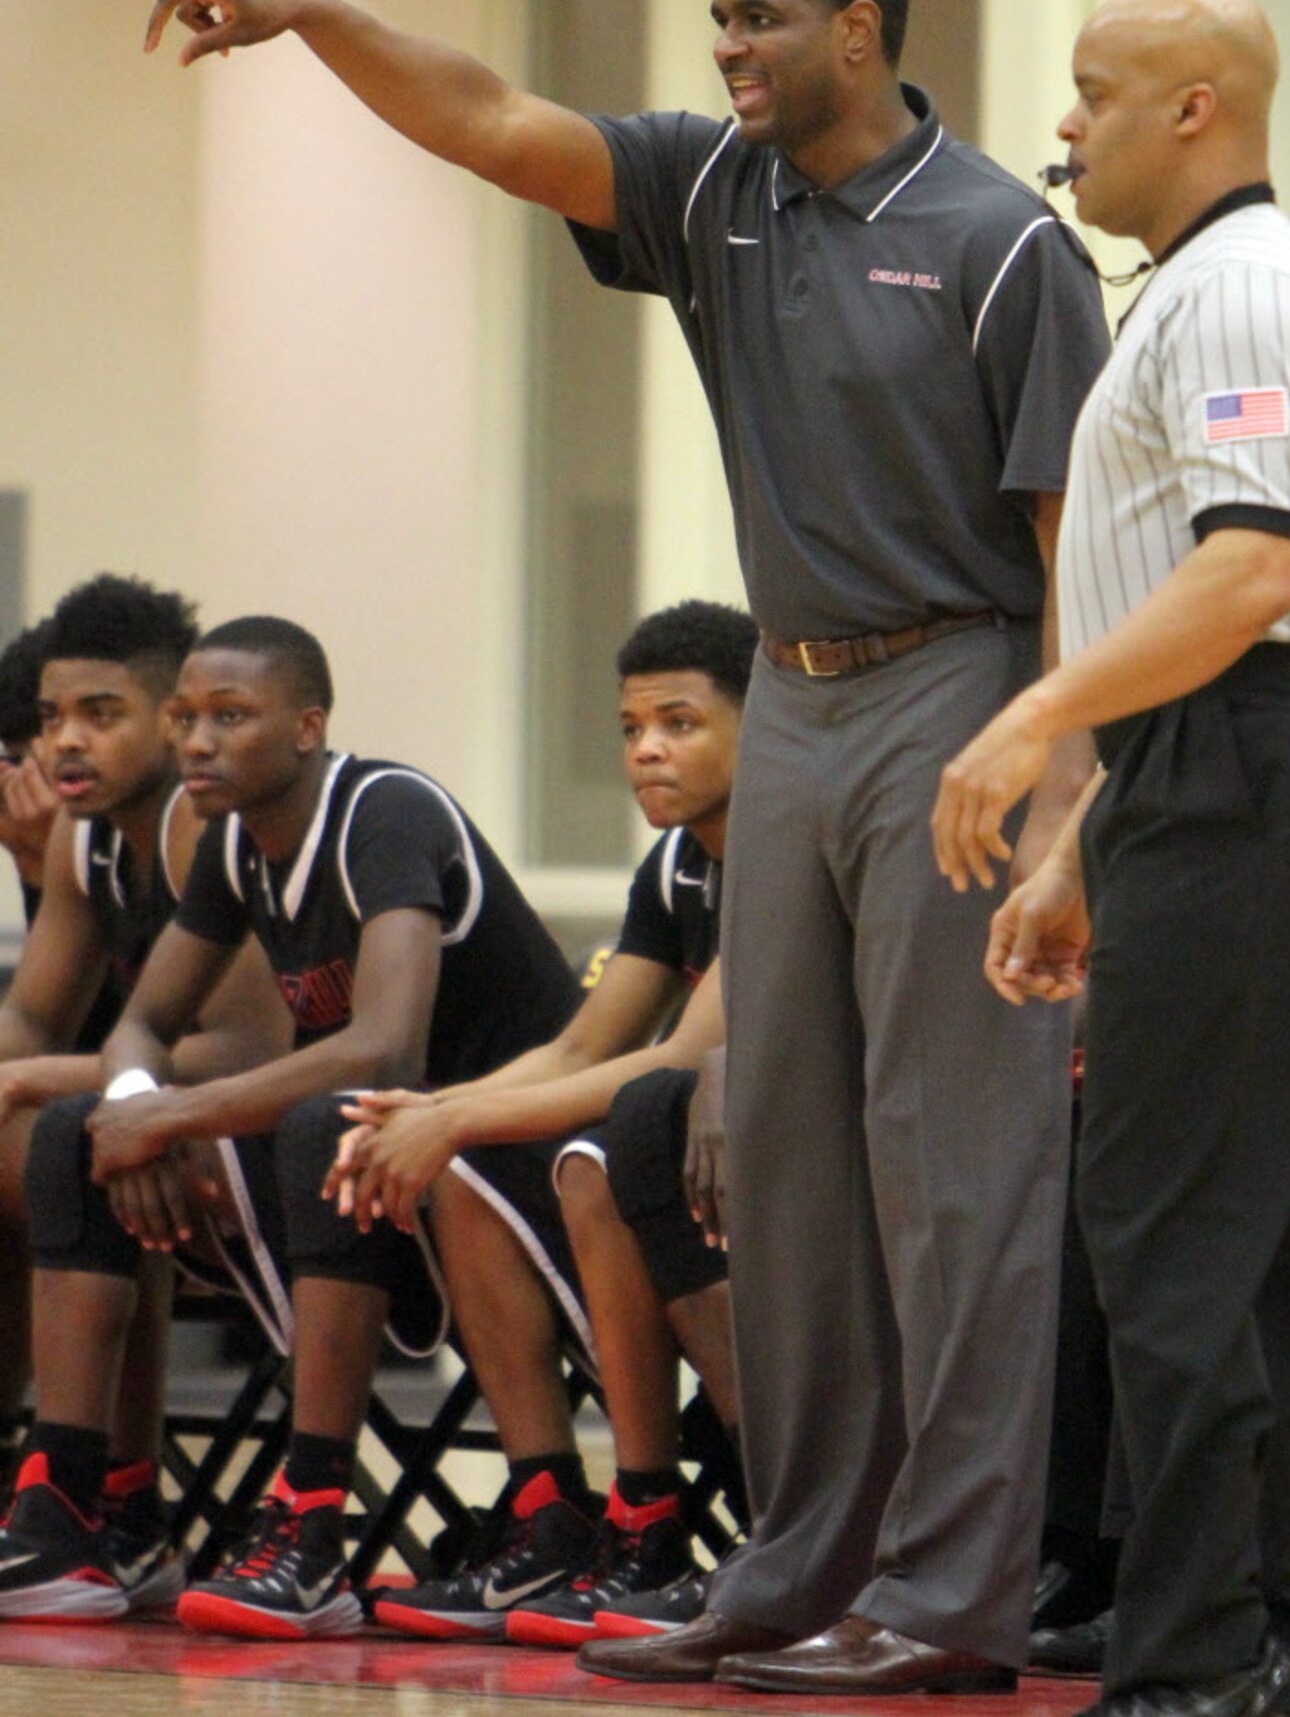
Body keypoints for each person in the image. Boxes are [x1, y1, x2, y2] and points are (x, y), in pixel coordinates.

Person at [143, 0, 1110, 1692]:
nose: (727, 46)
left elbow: (1076, 543)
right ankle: (797, 1562)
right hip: (799, 696)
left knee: (951, 1170)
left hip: (962, 683)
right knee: (795, 1157)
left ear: (859, 32)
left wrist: (1054, 787)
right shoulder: (709, 189)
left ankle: (956, 1594)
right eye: (719, 19)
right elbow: (492, 119)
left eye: (758, 18)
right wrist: (314, 12)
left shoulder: (996, 240)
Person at [930, 0, 1290, 1717]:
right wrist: (1080, 849)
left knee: (1176, 1234)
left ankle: (1189, 1663)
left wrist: (1030, 722)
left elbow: (1248, 578)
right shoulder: (1209, 288)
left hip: (1254, 758)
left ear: (1195, 109)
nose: (1064, 129)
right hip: (1243, 758)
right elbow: (1224, 631)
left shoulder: (1248, 288)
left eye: (1093, 95)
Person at [1, 614, 581, 1637]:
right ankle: (76, 1510)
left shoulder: (387, 810)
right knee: (74, 1132)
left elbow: (385, 1052)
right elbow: (143, 1023)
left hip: (516, 1159)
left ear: (307, 726)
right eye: (186, 718)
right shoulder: (235, 845)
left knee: (319, 1120)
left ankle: (313, 1521)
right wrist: (136, 1112)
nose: (198, 743)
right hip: (384, 1164)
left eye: (231, 717)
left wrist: (173, 1112)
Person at [326, 599, 754, 1644]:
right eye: (629, 729)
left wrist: (453, 1121)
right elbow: (580, 1046)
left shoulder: (781, 852)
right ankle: (565, 1513)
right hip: (700, 1147)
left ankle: (708, 1512)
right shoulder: (674, 865)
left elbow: (670, 1055)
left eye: (680, 724)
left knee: (594, 1160)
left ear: (764, 725)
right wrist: (430, 1116)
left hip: (815, 1158)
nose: (647, 749)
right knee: (476, 1169)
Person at [0, 575, 290, 1594]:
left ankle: (79, 1495)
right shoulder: (88, 838)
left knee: (53, 1132)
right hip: (181, 1136)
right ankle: (99, 1497)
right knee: (59, 1131)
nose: (63, 743)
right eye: (49, 720)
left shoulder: (199, 829)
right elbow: (31, 1012)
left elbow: (245, 1049)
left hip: (306, 1142)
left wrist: (41, 1080)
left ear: (171, 723)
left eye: (100, 715)